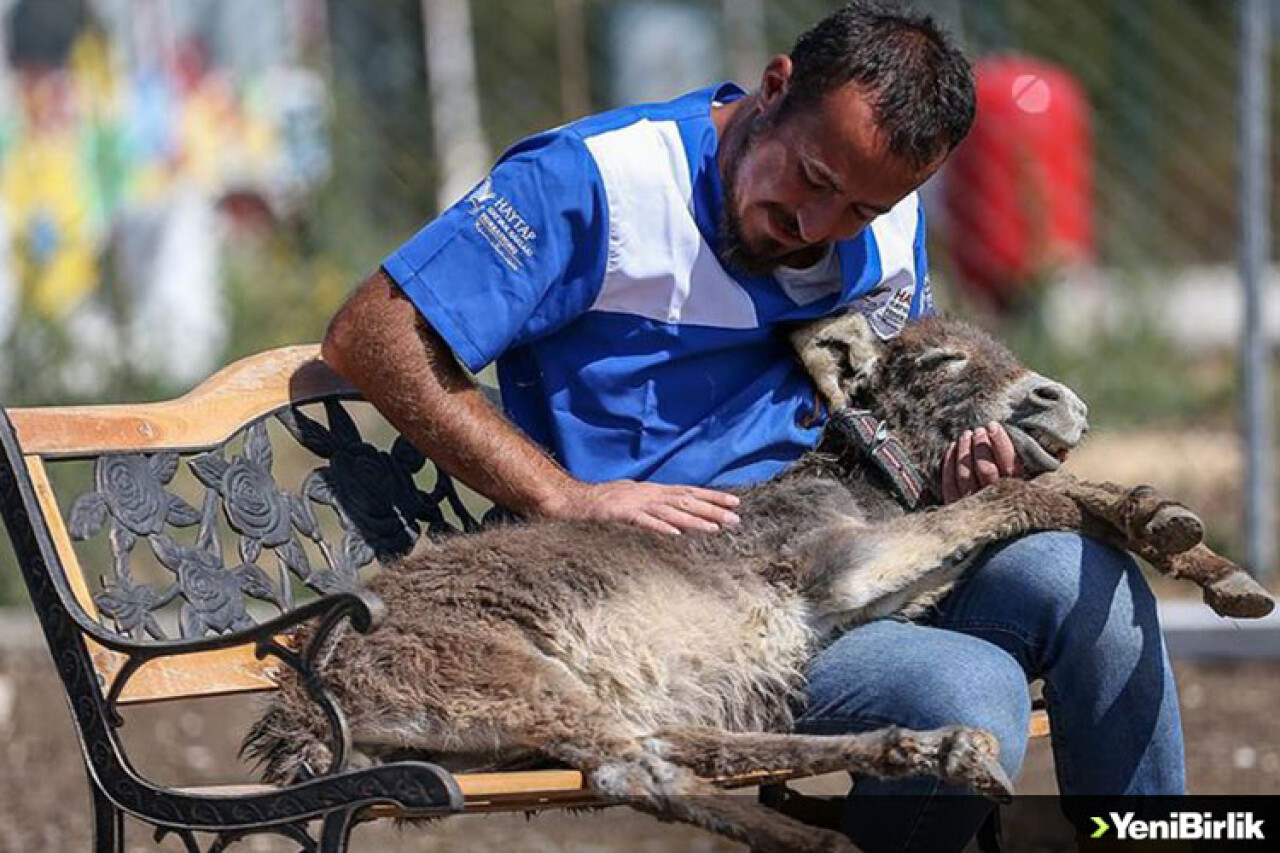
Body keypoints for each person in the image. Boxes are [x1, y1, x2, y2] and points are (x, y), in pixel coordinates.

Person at [322, 2, 1186, 850]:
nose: (817, 228)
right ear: (774, 88)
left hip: (856, 544)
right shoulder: (597, 184)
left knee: (1090, 583)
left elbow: (877, 413)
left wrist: (956, 472)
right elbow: (372, 336)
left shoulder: (890, 226)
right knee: (967, 687)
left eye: (861, 209)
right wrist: (562, 494)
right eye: (812, 178)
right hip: (696, 608)